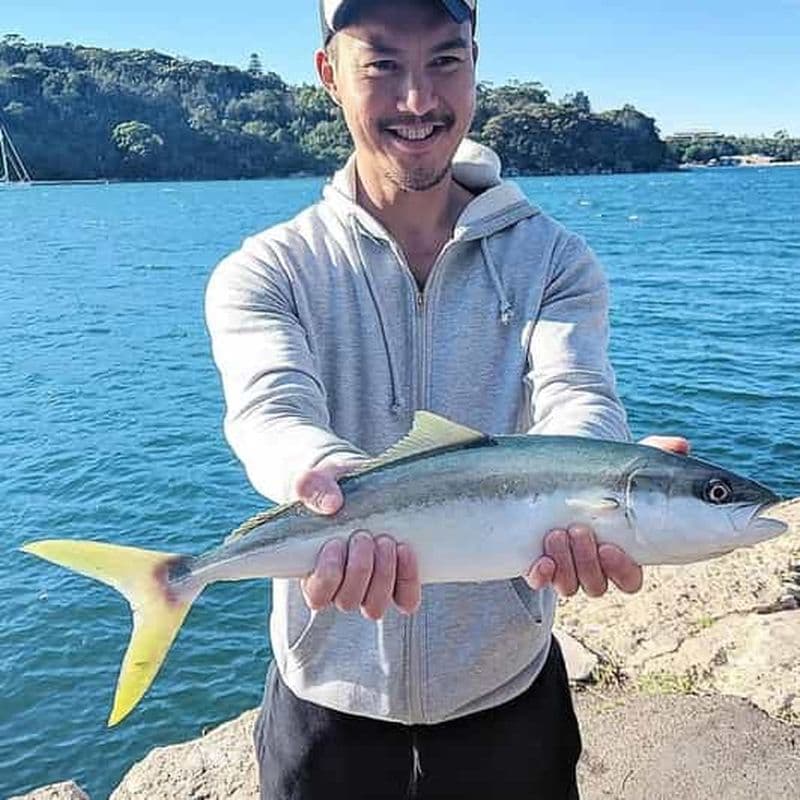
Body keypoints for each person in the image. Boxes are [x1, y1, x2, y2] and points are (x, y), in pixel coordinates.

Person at [205, 1, 688, 797]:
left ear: (474, 63)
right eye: (382, 65)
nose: (419, 100)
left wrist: (601, 471)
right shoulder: (267, 271)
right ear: (329, 73)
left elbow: (579, 396)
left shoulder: (554, 260)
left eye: (443, 60)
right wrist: (328, 479)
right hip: (326, 703)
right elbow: (270, 409)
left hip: (507, 694)